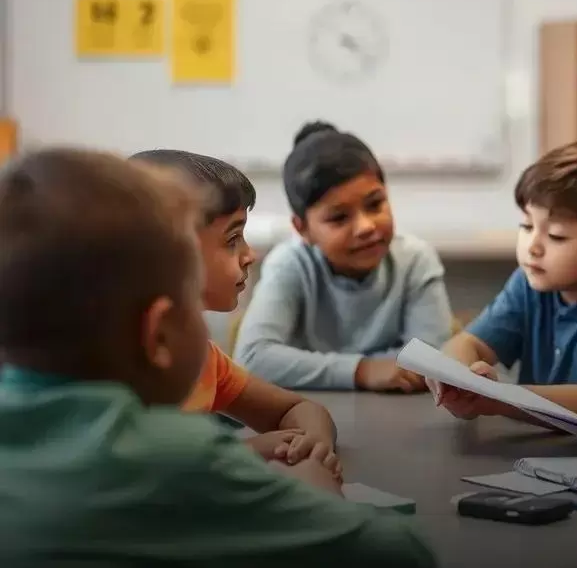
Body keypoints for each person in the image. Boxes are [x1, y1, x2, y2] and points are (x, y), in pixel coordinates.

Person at [0, 148, 435, 566]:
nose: (250, 254)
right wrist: (313, 485)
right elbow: (398, 553)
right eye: (190, 301)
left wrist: (246, 452)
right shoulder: (179, 457)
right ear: (160, 333)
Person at [433, 140, 577, 429]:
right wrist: (458, 377)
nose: (533, 247)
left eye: (556, 236)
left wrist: (498, 397)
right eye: (527, 226)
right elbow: (467, 343)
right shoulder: (532, 279)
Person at [131, 149, 338, 471]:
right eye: (232, 239)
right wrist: (249, 452)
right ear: (172, 256)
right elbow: (144, 473)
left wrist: (312, 442)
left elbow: (297, 409)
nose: (249, 254)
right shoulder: (114, 372)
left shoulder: (203, 358)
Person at [234, 122, 453, 391]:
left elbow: (432, 362)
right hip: (309, 418)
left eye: (375, 204)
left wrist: (301, 366)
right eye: (339, 217)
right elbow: (252, 359)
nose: (366, 227)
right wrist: (362, 371)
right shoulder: (290, 264)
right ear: (302, 229)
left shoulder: (416, 260)